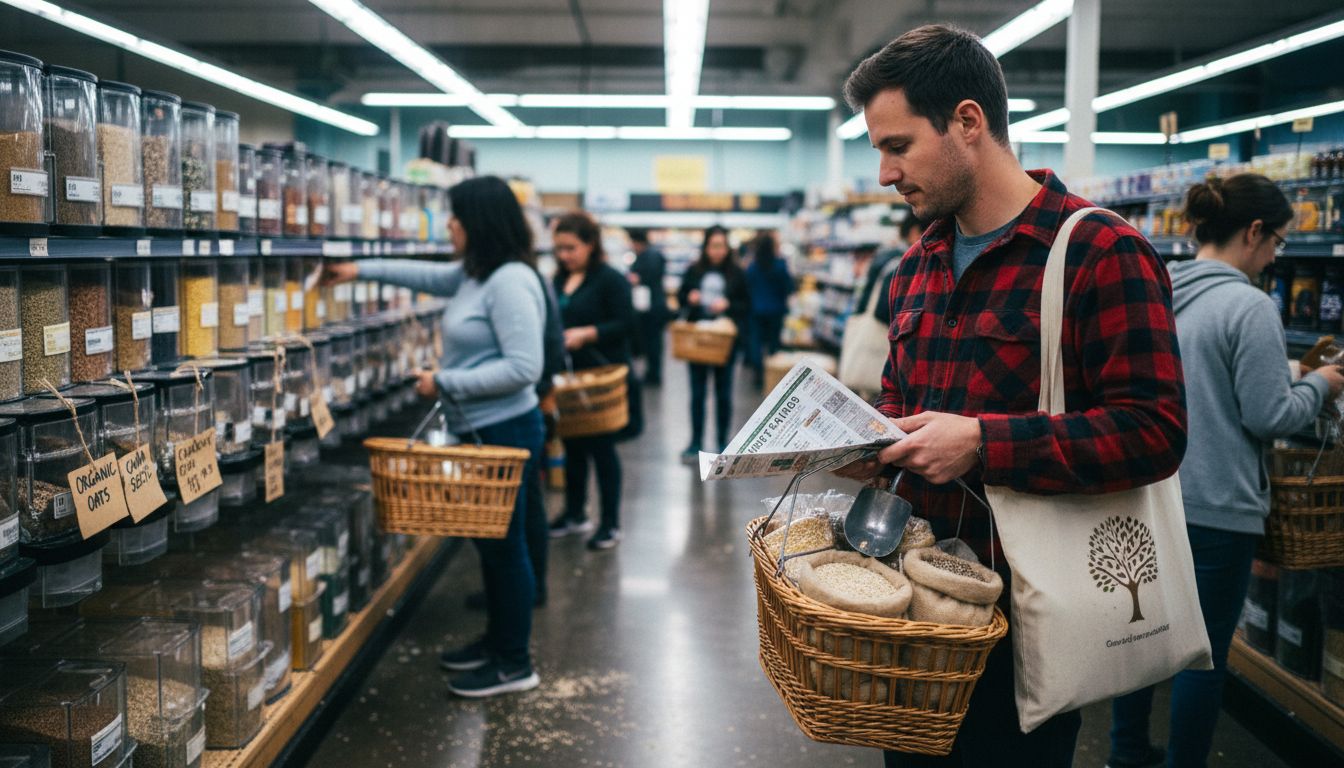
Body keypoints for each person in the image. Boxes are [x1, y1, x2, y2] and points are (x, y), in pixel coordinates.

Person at [838, 25, 1188, 767]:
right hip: (920, 612)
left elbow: (1154, 431)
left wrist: (983, 444)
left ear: (968, 121)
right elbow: (902, 403)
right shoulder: (916, 266)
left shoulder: (1099, 252)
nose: (885, 174)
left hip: (1026, 614)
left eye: (897, 146)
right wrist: (871, 445)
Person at [1107, 175, 1344, 768]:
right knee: (1203, 654)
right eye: (1278, 242)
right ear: (1254, 231)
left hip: (1149, 498)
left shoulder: (1158, 290)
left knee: (1141, 640)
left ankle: (1127, 753)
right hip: (1218, 508)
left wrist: (1285, 375)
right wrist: (1320, 384)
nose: (1274, 258)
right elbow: (1269, 416)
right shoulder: (1250, 305)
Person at [323, 175, 546, 698]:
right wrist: (357, 269)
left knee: (505, 547)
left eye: (456, 216)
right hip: (480, 427)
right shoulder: (476, 275)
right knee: (489, 545)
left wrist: (443, 381)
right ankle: (497, 642)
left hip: (506, 429)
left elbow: (524, 368)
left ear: (479, 223)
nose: (448, 224)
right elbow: (422, 275)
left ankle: (515, 663)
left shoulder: (510, 281)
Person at [547, 211, 636, 551]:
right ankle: (574, 513)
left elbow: (627, 324)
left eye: (571, 248)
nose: (564, 255)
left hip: (601, 381)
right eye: (559, 248)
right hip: (569, 379)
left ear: (590, 244)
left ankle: (610, 523)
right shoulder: (558, 279)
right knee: (572, 445)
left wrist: (588, 333)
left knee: (602, 449)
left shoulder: (610, 280)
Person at [678, 225, 750, 462]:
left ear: (727, 247)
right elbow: (680, 297)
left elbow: (746, 305)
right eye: (713, 246)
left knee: (723, 393)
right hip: (698, 340)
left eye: (721, 246)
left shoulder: (737, 273)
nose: (717, 251)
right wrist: (689, 297)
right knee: (697, 393)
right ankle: (695, 442)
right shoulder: (694, 271)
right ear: (706, 247)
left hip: (724, 341)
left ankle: (722, 441)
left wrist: (728, 305)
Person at [743, 230, 795, 387]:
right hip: (776, 310)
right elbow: (789, 287)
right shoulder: (780, 265)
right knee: (773, 343)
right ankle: (772, 372)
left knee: (756, 342)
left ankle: (758, 372)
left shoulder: (753, 266)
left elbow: (747, 286)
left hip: (756, 310)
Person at [862, 213, 926, 328]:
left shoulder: (886, 254)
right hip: (881, 332)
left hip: (866, 323)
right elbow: (883, 310)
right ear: (915, 232)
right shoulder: (904, 263)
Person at [627, 228, 668, 386]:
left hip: (652, 308)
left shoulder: (649, 256)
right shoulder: (652, 255)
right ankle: (652, 372)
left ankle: (654, 374)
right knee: (652, 342)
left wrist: (638, 278)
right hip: (652, 305)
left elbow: (648, 277)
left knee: (653, 342)